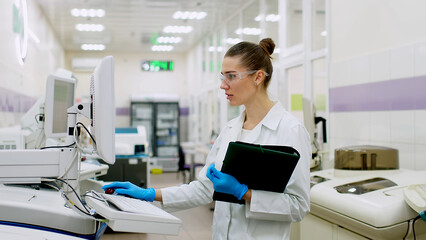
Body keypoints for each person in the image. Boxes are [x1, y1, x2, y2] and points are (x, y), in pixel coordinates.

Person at [103, 38, 311, 240]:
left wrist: (244, 193)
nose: (223, 85)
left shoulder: (290, 130)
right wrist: (149, 194)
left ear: (258, 77)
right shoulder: (230, 129)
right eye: (223, 77)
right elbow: (204, 189)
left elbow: (299, 206)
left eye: (231, 76)